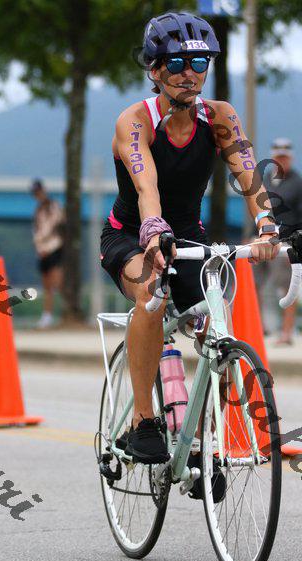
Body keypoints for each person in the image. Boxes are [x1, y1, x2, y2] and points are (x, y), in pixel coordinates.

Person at [100, 11, 280, 469]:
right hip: (131, 234)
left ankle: (202, 437)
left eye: (200, 64)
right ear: (154, 69)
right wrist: (154, 233)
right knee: (151, 293)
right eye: (177, 63)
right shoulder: (135, 121)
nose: (189, 74)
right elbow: (147, 188)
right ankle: (144, 420)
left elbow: (248, 175)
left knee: (218, 326)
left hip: (189, 237)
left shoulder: (220, 117)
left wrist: (267, 225)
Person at [265, 138, 302, 344]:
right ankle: (260, 327)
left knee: (287, 287)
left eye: (285, 158)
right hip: (263, 238)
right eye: (279, 157)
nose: (282, 161)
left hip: (287, 242)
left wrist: (296, 243)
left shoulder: (298, 182)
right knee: (257, 284)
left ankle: (286, 332)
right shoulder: (266, 179)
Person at [32, 179, 65, 328]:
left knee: (58, 283)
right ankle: (47, 315)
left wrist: (41, 240)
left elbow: (53, 225)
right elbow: (37, 230)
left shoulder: (54, 206)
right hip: (42, 251)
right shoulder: (38, 210)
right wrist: (40, 247)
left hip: (54, 248)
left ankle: (64, 311)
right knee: (47, 286)